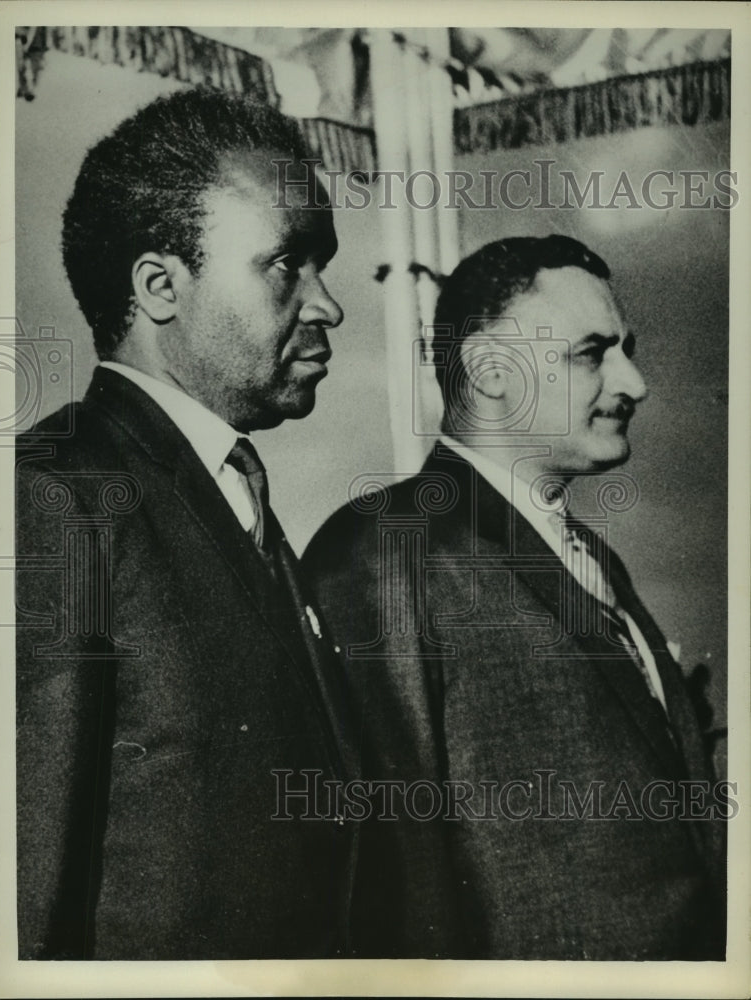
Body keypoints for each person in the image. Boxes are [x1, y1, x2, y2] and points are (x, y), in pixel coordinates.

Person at [302, 235, 726, 960]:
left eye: (629, 348)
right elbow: (396, 878)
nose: (636, 381)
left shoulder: (595, 558)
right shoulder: (387, 550)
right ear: (489, 370)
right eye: (593, 353)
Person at [16, 87, 357, 960]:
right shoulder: (55, 498)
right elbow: (22, 904)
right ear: (161, 286)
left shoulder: (236, 500)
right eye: (288, 263)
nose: (328, 306)